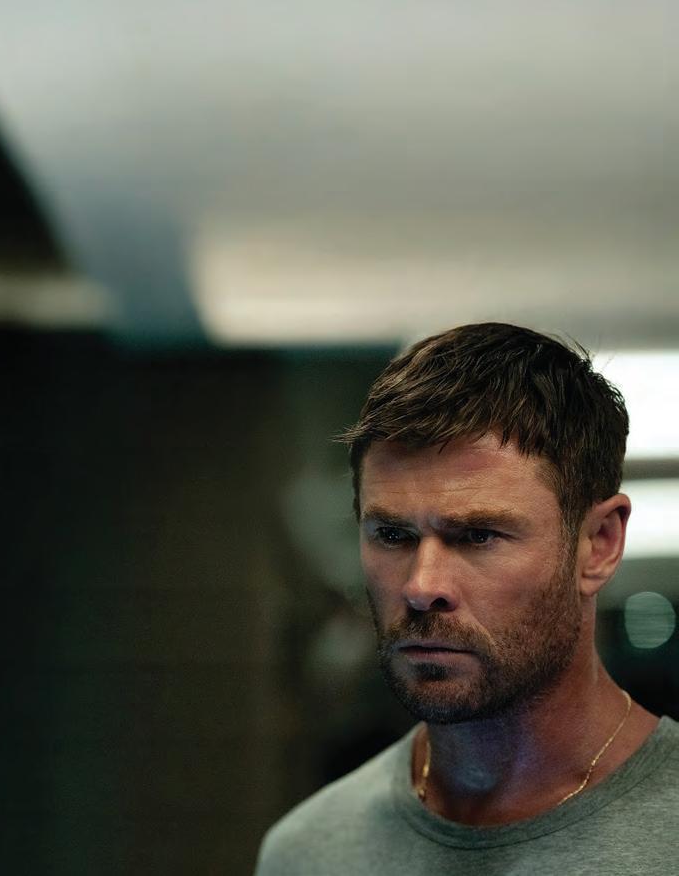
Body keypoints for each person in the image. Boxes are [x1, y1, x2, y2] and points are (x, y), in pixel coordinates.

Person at [255, 322, 679, 875]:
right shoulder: (309, 852)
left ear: (598, 544)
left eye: (478, 536)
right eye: (392, 535)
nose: (421, 586)